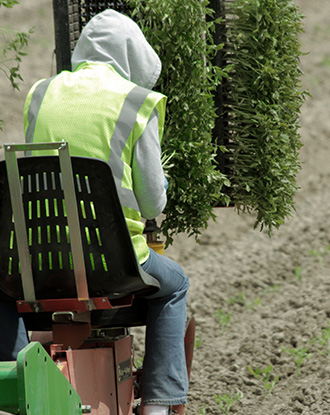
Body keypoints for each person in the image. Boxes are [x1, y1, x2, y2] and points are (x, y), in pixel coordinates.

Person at [23, 10, 189, 415]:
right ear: (133, 57)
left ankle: (17, 377)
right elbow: (152, 203)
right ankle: (158, 406)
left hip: (40, 265)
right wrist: (162, 184)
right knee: (176, 286)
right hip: (114, 266)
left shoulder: (41, 93)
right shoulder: (138, 103)